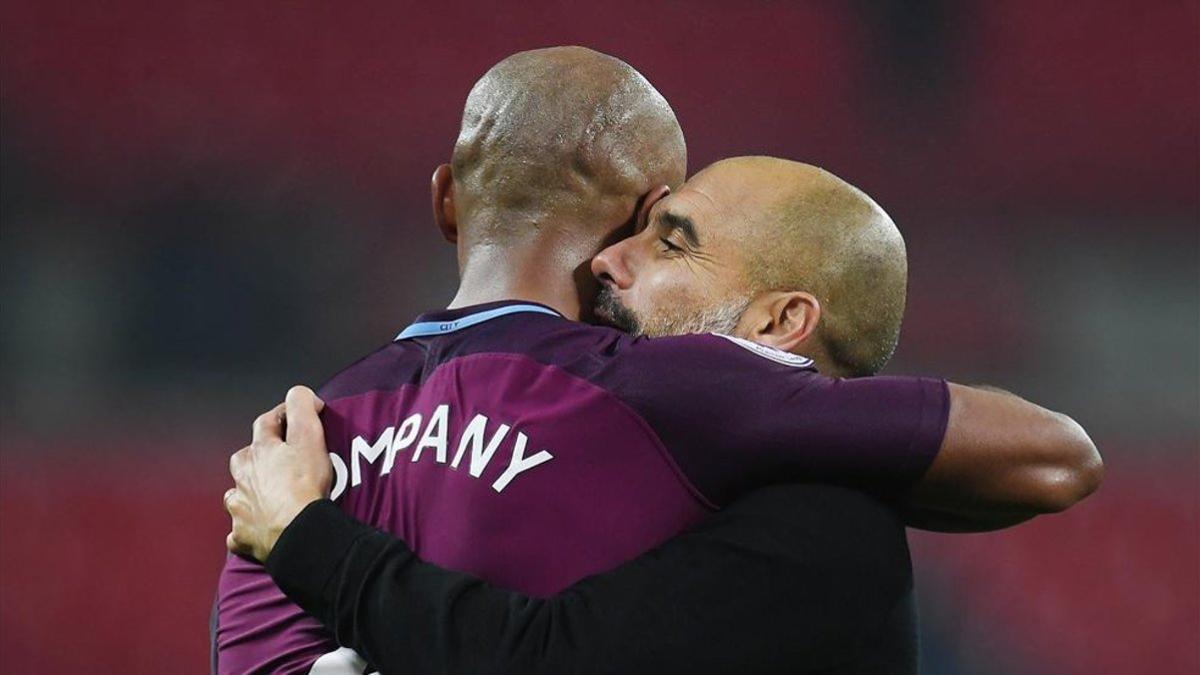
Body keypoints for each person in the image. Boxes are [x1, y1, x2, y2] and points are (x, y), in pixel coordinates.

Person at [216, 47, 1102, 673]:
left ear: (446, 199)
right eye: (648, 226)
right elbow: (1052, 454)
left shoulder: (289, 451)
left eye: (668, 243)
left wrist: (306, 536)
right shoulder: (656, 398)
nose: (611, 262)